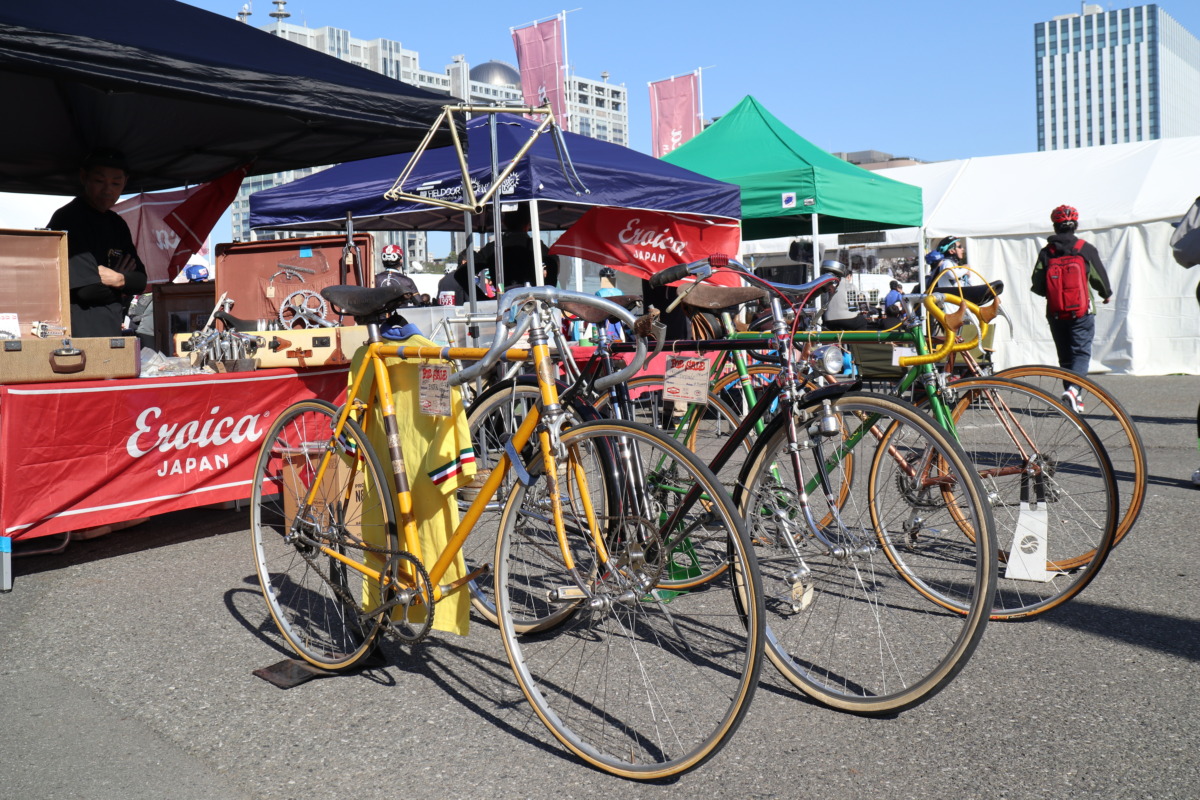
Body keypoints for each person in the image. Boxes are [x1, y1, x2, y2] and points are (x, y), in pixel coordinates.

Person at [47, 148, 148, 337]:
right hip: (77, 333)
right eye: (99, 181)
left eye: (116, 183)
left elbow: (141, 281)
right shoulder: (69, 219)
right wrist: (123, 285)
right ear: (84, 177)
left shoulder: (117, 224)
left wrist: (118, 279)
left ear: (125, 182)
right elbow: (87, 290)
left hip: (111, 330)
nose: (108, 190)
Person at [1031, 204, 1113, 413]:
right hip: (1082, 311)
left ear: (1055, 226)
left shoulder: (1047, 252)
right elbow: (1099, 277)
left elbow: (1037, 284)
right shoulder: (1085, 248)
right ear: (1075, 224)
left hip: (1056, 312)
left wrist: (1053, 293)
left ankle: (1073, 397)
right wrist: (1106, 293)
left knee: (1066, 356)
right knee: (1081, 353)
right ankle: (1074, 391)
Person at [472, 204, 559, 291]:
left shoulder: (493, 247)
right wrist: (547, 288)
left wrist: (482, 296)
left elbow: (466, 272)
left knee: (500, 287)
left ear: (504, 222)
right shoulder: (535, 246)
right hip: (530, 294)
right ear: (529, 223)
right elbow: (554, 261)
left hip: (502, 292)